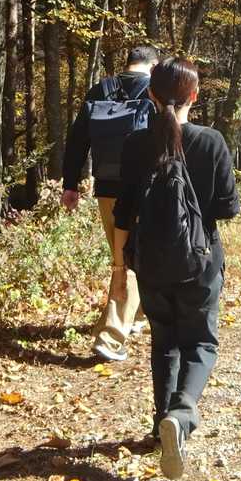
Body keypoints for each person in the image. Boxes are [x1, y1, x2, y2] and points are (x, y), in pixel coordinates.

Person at [115, 57, 239, 480]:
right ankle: (181, 413)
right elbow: (228, 208)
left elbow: (123, 212)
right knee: (200, 342)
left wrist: (119, 267)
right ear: (194, 96)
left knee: (163, 342)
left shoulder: (135, 144)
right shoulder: (210, 142)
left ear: (150, 94)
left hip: (150, 262)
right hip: (200, 261)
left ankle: (159, 426)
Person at [62, 45, 160, 361]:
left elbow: (77, 140)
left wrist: (70, 184)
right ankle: (110, 336)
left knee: (124, 255)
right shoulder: (156, 91)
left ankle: (137, 316)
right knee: (129, 259)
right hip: (145, 189)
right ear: (153, 65)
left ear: (128, 63)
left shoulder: (101, 89)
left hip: (107, 188)